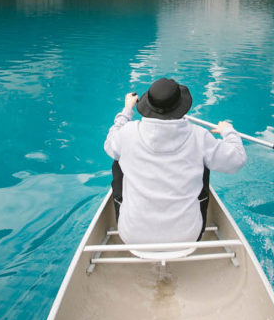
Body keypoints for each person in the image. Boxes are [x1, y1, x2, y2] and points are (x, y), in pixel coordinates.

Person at [104, 77, 247, 245]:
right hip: (187, 237)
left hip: (133, 236)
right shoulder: (199, 136)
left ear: (147, 104)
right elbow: (237, 159)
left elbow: (109, 145)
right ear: (181, 106)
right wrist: (228, 132)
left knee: (118, 157)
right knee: (205, 161)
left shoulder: (128, 133)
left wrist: (127, 111)